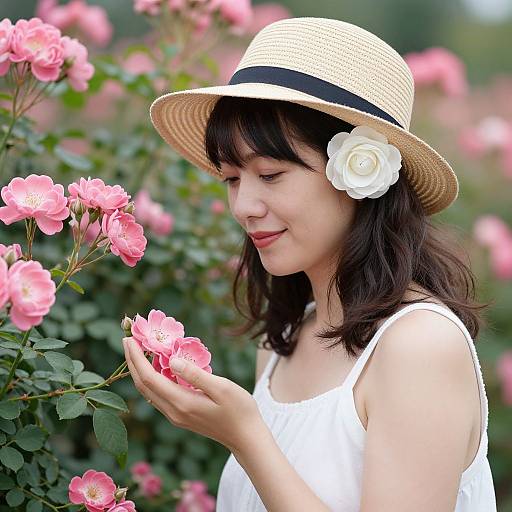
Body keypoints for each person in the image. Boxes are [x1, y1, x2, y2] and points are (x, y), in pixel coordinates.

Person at [129, 16, 498, 511]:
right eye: (233, 178)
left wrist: (246, 438)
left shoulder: (419, 347)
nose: (244, 207)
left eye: (271, 173)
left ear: (358, 175)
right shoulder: (282, 342)